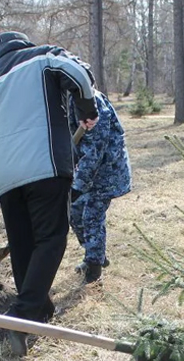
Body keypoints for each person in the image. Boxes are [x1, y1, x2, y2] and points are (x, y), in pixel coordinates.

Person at [0, 31, 98, 355]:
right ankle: (21, 315)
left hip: (5, 174)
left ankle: (40, 310)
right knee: (51, 238)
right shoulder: (42, 58)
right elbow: (79, 73)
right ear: (23, 46)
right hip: (44, 165)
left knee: (22, 245)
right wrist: (86, 109)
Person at [67, 90, 131, 283]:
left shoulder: (91, 101)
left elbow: (95, 149)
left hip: (107, 170)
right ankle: (96, 253)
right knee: (75, 212)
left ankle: (93, 269)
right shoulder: (68, 98)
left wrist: (77, 187)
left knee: (91, 216)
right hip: (88, 171)